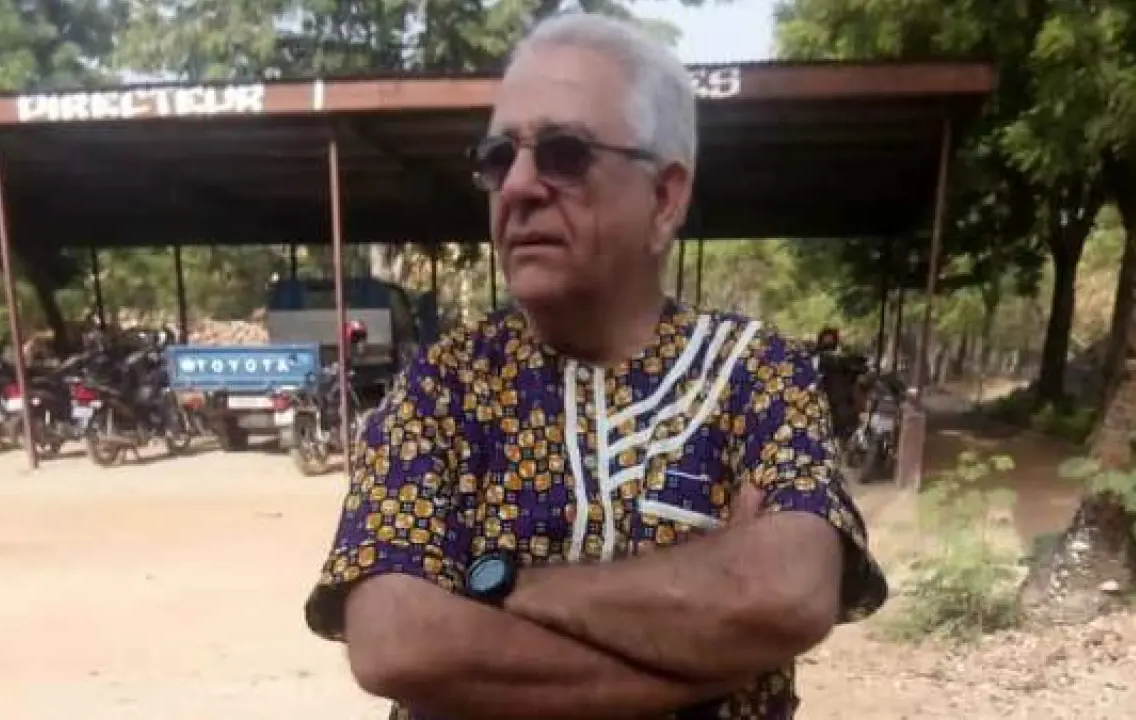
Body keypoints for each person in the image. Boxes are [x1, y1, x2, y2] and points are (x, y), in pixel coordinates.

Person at [304, 12, 887, 720]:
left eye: (564, 153)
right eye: (499, 157)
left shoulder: (755, 375)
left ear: (664, 198)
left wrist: (502, 585)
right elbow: (397, 644)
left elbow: (789, 593)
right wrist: (711, 656)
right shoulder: (441, 387)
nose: (518, 186)